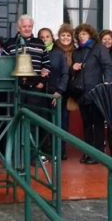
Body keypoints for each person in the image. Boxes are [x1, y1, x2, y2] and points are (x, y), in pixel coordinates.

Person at [71, 23, 112, 164]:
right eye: (79, 34)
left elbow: (107, 66)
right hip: (82, 93)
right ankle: (88, 152)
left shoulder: (99, 48)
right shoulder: (76, 52)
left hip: (96, 92)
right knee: (87, 124)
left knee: (98, 124)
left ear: (90, 34)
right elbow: (73, 73)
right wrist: (73, 68)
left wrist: (106, 83)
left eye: (84, 34)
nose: (81, 36)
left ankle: (98, 154)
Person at [42, 27, 69, 160]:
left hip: (56, 94)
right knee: (44, 123)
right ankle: (45, 151)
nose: (45, 39)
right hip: (41, 94)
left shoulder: (58, 53)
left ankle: (60, 151)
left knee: (59, 122)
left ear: (52, 38)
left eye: (47, 36)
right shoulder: (37, 53)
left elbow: (65, 73)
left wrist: (60, 90)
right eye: (42, 37)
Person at [4, 15, 51, 89]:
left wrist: (42, 81)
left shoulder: (39, 43)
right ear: (18, 28)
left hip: (36, 86)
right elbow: (4, 64)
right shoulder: (10, 43)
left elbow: (46, 63)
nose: (27, 29)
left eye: (29, 26)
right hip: (15, 86)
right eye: (24, 26)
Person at [53, 24, 76, 159]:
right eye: (63, 35)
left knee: (64, 120)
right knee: (56, 120)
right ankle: (54, 149)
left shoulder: (76, 51)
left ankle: (62, 150)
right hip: (57, 89)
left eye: (68, 35)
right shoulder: (55, 50)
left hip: (70, 91)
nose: (65, 38)